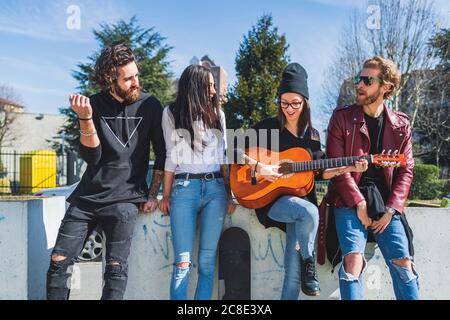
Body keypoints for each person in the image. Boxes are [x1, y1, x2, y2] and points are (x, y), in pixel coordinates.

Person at [235, 63, 368, 299]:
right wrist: (261, 167)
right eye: (284, 103)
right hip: (271, 201)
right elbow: (232, 150)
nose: (289, 109)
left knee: (293, 274)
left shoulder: (313, 136)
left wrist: (348, 167)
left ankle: (304, 268)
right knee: (309, 212)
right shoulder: (268, 128)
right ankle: (310, 262)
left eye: (295, 103)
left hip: (300, 205)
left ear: (305, 101)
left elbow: (322, 172)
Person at [46, 44, 166, 300]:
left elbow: (162, 154)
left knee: (115, 269)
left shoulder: (151, 105)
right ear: (111, 81)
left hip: (126, 199)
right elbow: (92, 157)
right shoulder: (94, 105)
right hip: (87, 198)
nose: (136, 82)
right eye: (128, 78)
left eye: (136, 75)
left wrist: (152, 194)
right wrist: (85, 119)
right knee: (58, 261)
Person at [326, 56, 419, 300]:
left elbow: (406, 170)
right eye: (360, 79)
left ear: (386, 87)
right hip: (349, 198)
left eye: (367, 80)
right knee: (353, 261)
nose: (360, 85)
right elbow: (339, 170)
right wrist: (359, 203)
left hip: (387, 202)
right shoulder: (341, 118)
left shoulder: (401, 125)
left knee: (403, 264)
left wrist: (391, 209)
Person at [159, 64, 236, 300]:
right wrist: (166, 194)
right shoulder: (171, 113)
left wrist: (230, 192)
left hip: (216, 191)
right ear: (197, 87)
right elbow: (171, 156)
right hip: (185, 190)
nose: (214, 92)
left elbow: (224, 157)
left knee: (206, 262)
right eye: (210, 87)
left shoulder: (218, 114)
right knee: (182, 262)